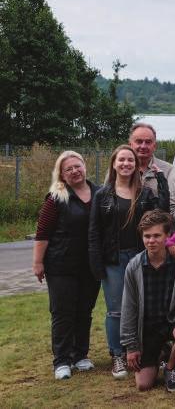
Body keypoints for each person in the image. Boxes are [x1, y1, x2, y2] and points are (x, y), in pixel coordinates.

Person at [88, 145, 169, 380]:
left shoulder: (144, 193)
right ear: (114, 164)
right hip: (113, 259)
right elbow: (94, 232)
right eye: (121, 160)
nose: (126, 164)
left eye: (130, 160)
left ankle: (143, 350)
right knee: (116, 310)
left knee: (142, 307)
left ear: (136, 165)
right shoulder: (103, 194)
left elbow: (161, 216)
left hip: (139, 256)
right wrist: (96, 262)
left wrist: (162, 183)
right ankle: (118, 355)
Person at [33, 151, 101, 380]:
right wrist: (37, 262)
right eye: (68, 169)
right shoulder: (56, 197)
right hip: (61, 265)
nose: (74, 171)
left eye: (77, 166)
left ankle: (80, 355)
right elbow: (43, 232)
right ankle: (61, 360)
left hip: (90, 266)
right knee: (63, 313)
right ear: (61, 174)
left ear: (85, 165)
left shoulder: (99, 193)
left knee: (84, 311)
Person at [120, 209, 175, 392]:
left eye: (156, 236)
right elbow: (129, 309)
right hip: (146, 329)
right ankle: (159, 353)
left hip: (171, 323)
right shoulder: (134, 267)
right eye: (147, 236)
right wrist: (131, 347)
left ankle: (170, 367)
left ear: (167, 235)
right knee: (144, 385)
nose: (151, 241)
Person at [129, 122, 173, 195]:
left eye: (148, 142)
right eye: (139, 142)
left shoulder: (169, 171)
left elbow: (174, 202)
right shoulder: (118, 169)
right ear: (130, 145)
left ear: (155, 146)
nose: (143, 146)